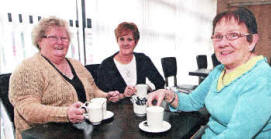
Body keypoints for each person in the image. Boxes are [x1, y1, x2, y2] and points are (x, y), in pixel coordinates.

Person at [147, 7, 271, 138]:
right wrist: (166, 94)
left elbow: (235, 135)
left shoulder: (262, 78)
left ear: (252, 40)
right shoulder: (219, 71)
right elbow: (192, 101)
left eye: (233, 35)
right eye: (218, 36)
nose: (223, 43)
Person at [8, 17, 120, 139]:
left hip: (79, 131)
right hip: (41, 135)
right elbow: (28, 109)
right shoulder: (27, 68)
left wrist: (106, 96)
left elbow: (93, 90)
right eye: (53, 37)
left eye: (64, 38)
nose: (60, 42)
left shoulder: (76, 64)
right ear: (39, 41)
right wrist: (65, 113)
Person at [97, 22, 165, 100]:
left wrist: (147, 87)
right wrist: (121, 95)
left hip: (142, 108)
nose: (125, 43)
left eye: (129, 39)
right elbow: (101, 95)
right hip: (116, 110)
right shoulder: (106, 65)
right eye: (122, 39)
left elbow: (160, 82)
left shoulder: (143, 59)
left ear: (135, 42)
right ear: (117, 41)